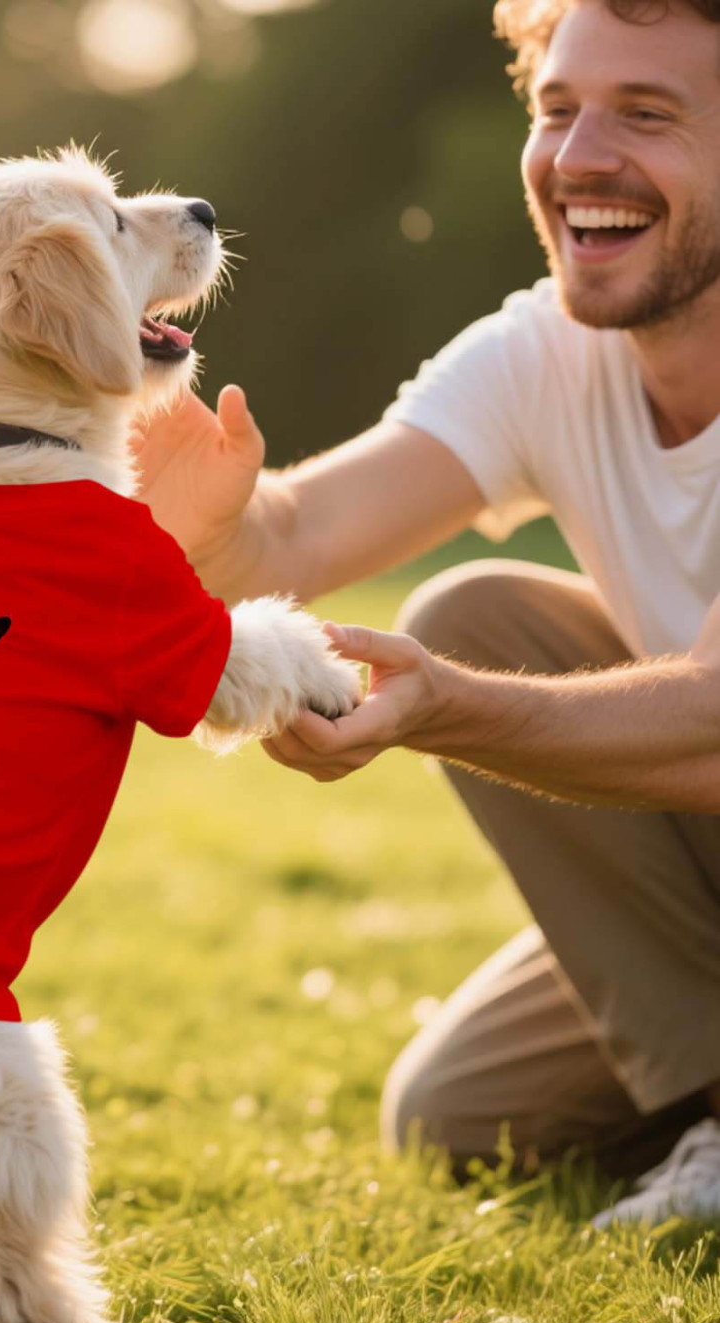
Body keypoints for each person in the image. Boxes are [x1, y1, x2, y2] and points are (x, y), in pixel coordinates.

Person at [134, 0, 720, 1225]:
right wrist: (205, 518)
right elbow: (290, 535)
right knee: (458, 1111)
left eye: (644, 114)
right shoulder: (543, 351)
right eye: (556, 109)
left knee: (470, 634)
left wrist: (448, 707)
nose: (576, 158)